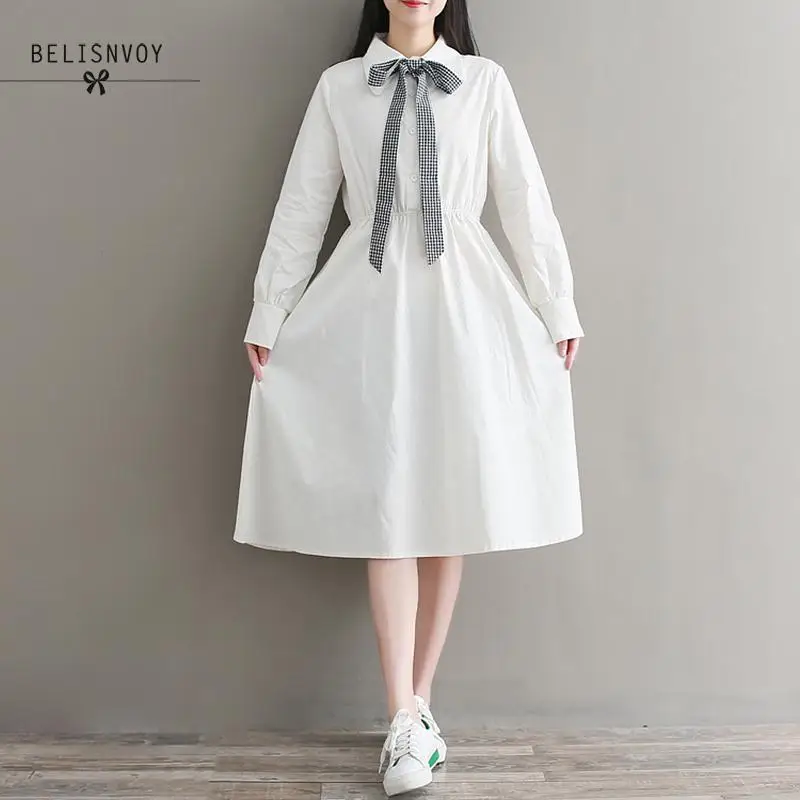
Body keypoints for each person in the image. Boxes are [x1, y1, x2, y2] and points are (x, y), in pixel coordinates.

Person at [232, 0, 585, 795]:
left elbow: (524, 199)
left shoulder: (484, 83)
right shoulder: (340, 87)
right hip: (369, 301)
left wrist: (556, 304)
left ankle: (417, 708)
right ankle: (402, 714)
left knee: (447, 492)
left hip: (464, 304)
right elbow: (302, 204)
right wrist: (270, 308)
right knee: (385, 492)